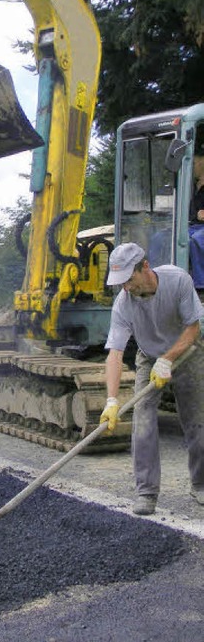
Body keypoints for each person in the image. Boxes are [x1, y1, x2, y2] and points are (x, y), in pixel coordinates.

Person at [100, 242, 204, 516]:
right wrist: (111, 400)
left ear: (144, 267)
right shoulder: (123, 304)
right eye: (120, 283)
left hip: (186, 352)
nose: (126, 287)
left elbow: (193, 328)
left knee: (197, 422)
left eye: (129, 280)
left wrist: (168, 359)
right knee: (143, 423)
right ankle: (146, 492)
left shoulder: (177, 280)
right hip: (148, 357)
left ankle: (201, 483)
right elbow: (115, 354)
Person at [188, 153, 204, 289]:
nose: (191, 167)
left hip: (201, 228)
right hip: (189, 225)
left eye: (193, 163)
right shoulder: (190, 186)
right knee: (161, 237)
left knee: (196, 239)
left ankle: (200, 285)